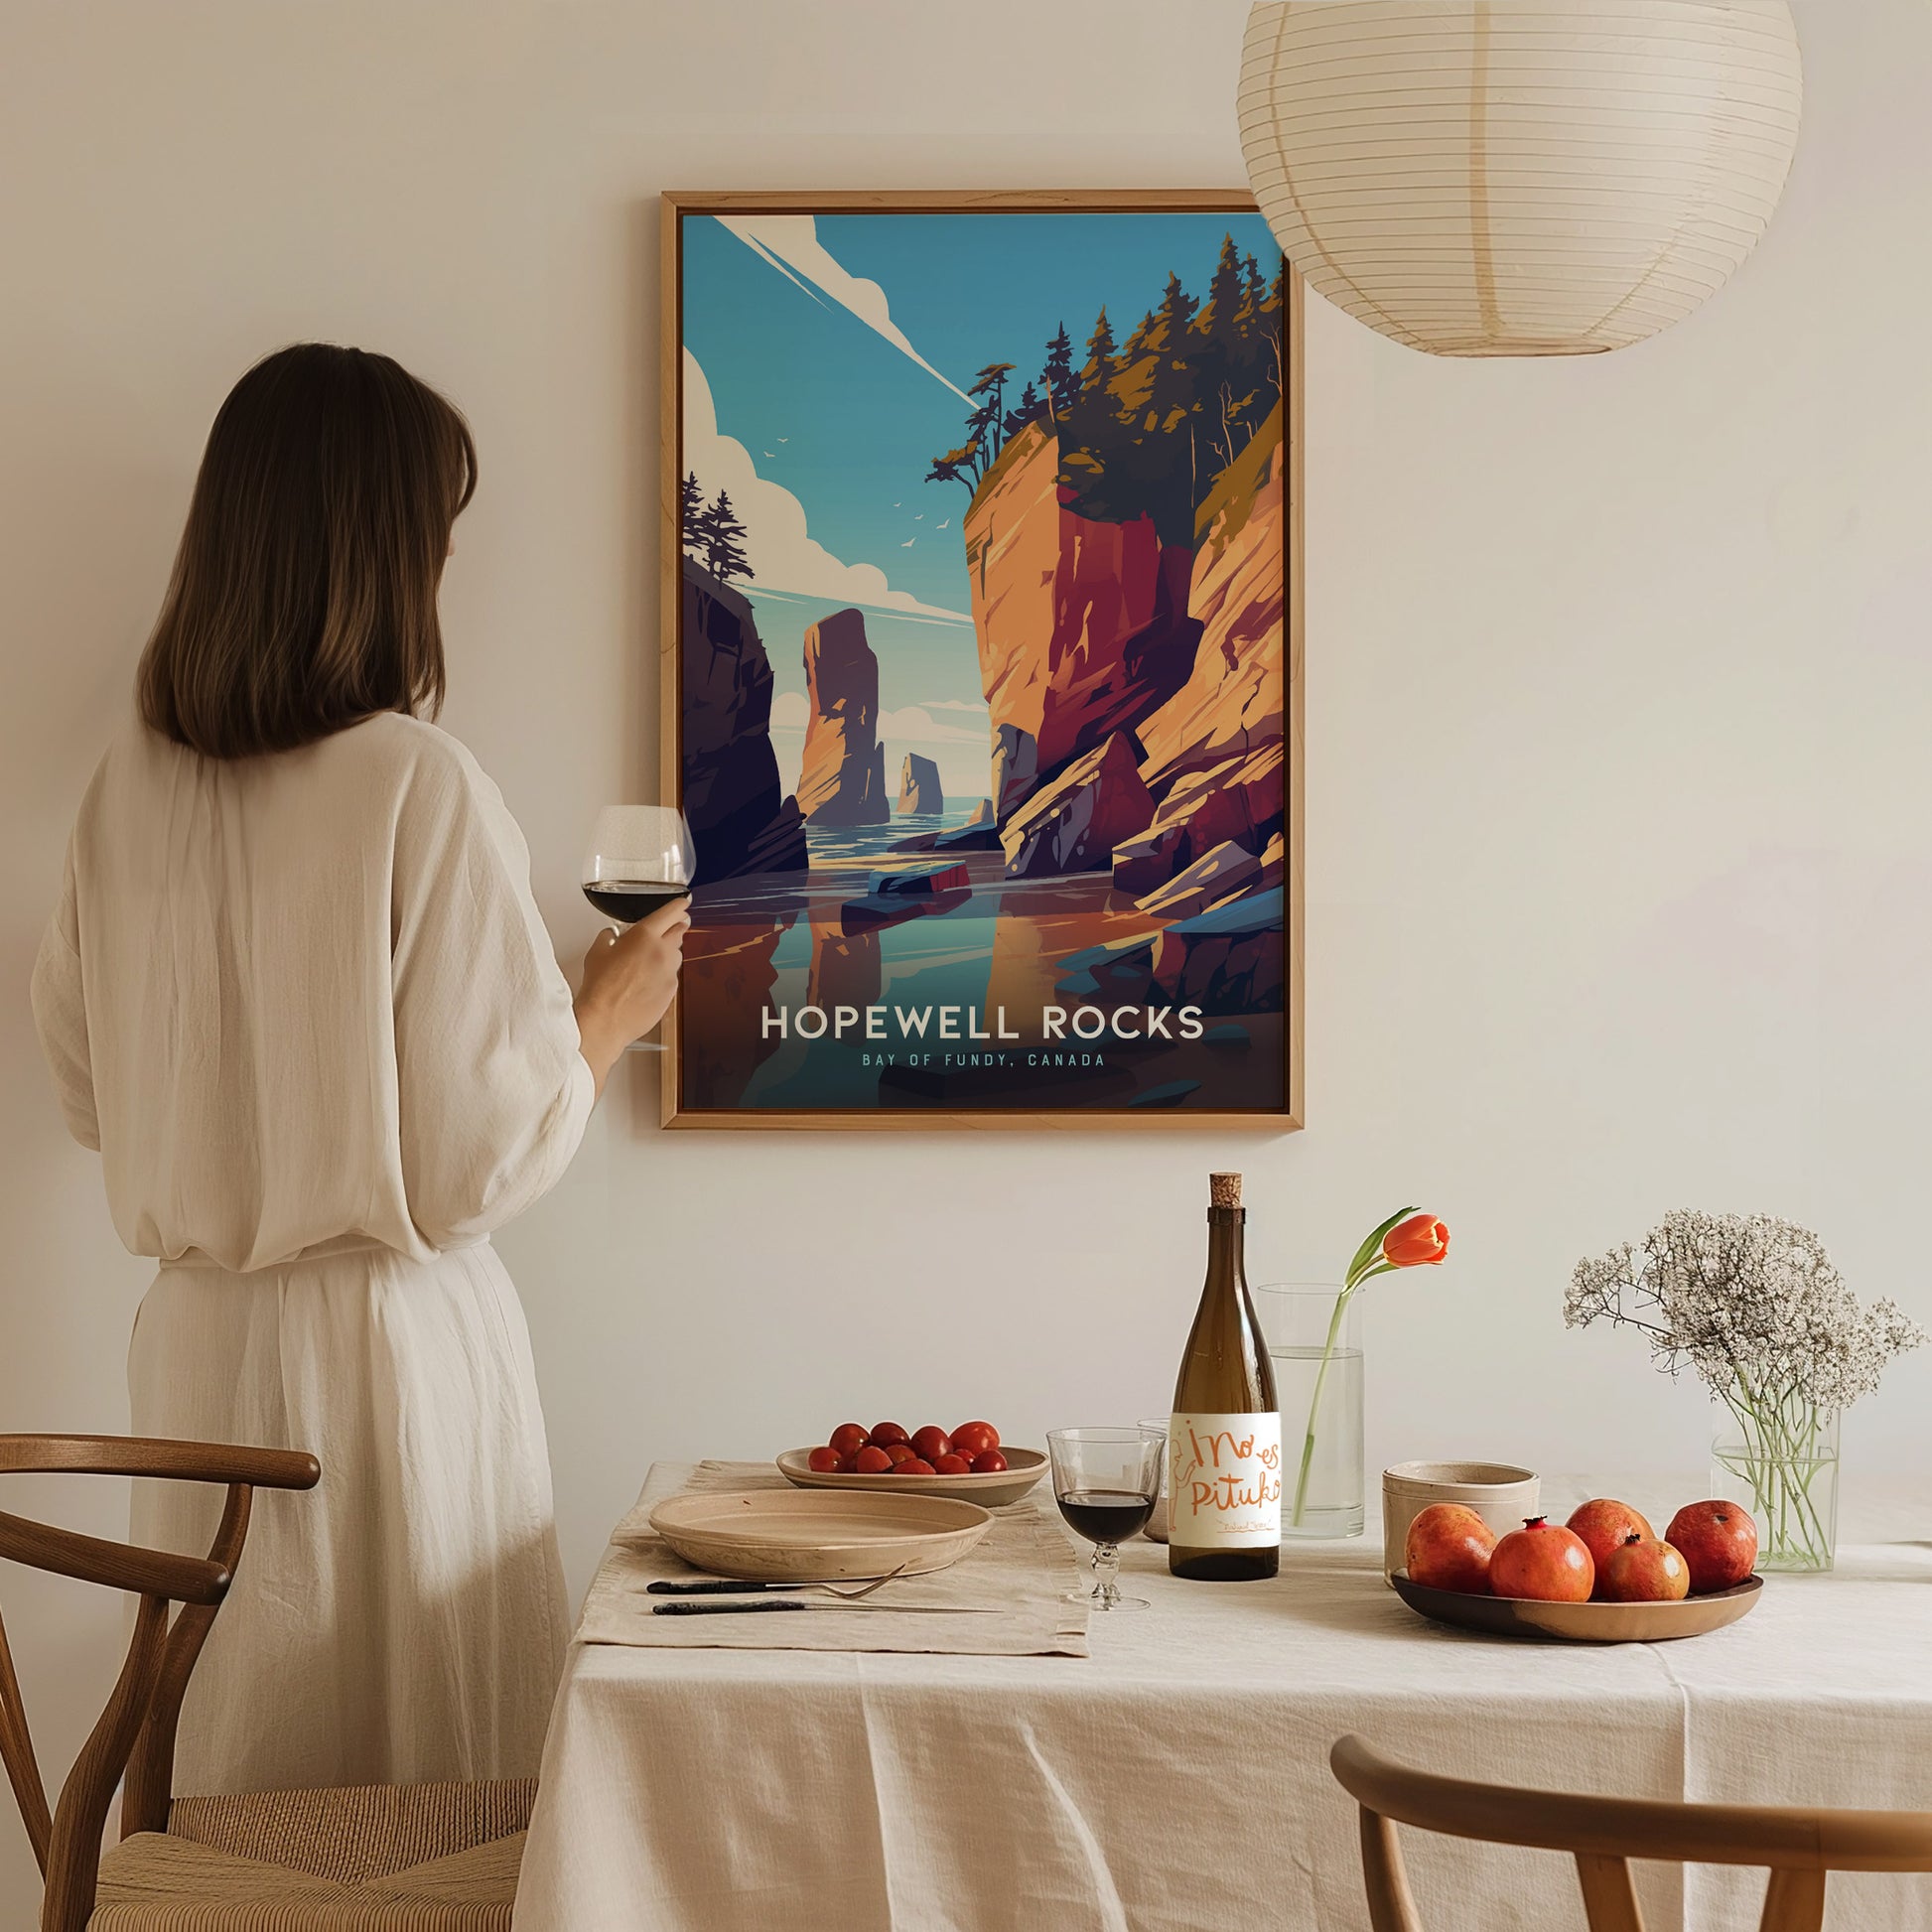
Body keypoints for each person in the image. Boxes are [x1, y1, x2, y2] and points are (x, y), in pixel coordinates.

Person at [29, 343, 685, 1793]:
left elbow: (87, 1093)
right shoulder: (414, 780)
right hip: (388, 1362)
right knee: (420, 1797)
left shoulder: (121, 792)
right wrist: (602, 1013)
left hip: (196, 1351)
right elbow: (470, 1164)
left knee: (239, 1777)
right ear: (384, 552)